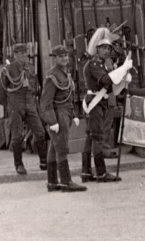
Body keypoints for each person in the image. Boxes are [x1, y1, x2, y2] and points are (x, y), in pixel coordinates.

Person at [80, 27, 133, 182]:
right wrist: (123, 69)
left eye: (108, 49)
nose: (106, 51)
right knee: (96, 137)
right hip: (95, 102)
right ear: (97, 49)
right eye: (103, 48)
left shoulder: (102, 64)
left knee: (91, 137)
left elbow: (111, 87)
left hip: (99, 101)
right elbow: (106, 80)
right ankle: (101, 173)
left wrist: (123, 78)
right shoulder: (94, 64)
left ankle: (86, 172)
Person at [39, 45, 87, 193]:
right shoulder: (52, 76)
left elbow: (69, 97)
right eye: (61, 56)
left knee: (54, 147)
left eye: (66, 55)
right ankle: (66, 182)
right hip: (58, 115)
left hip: (65, 113)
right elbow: (45, 102)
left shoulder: (65, 73)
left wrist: (73, 114)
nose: (65, 58)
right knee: (62, 148)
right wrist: (52, 121)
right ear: (54, 58)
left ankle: (52, 181)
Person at [0, 43, 48, 174]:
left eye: (25, 52)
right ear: (15, 55)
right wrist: (9, 106)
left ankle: (44, 161)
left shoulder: (30, 67)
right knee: (17, 136)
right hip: (15, 103)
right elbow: (2, 91)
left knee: (40, 132)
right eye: (21, 53)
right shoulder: (8, 69)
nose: (25, 55)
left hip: (29, 102)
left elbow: (35, 85)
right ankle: (19, 164)